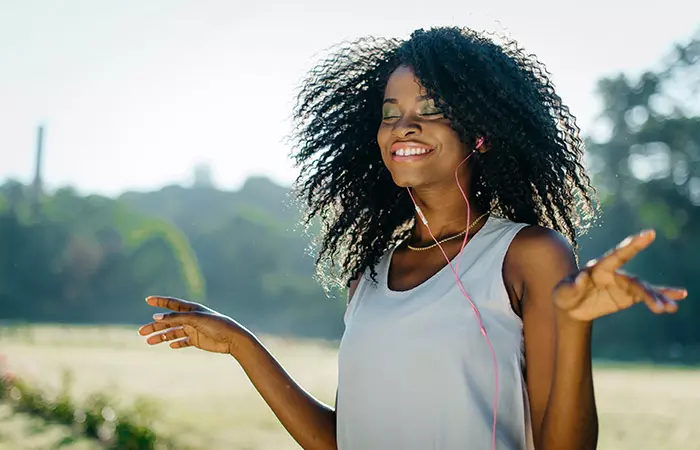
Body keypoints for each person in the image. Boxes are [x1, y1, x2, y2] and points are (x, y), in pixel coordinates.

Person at [137, 27, 689, 450]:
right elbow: (344, 440)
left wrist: (574, 324)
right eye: (390, 114)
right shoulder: (369, 274)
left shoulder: (528, 256)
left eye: (430, 112)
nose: (404, 126)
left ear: (480, 134)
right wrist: (239, 343)